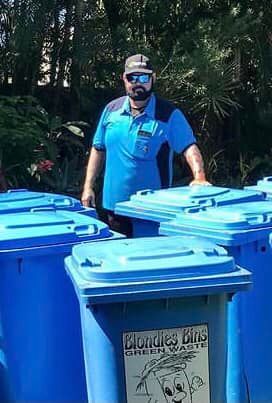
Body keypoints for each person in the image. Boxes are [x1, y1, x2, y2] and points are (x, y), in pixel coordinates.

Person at [81, 54, 210, 236]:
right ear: (124, 79)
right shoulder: (111, 110)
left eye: (143, 77)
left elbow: (189, 147)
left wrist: (199, 176)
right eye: (132, 77)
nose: (137, 82)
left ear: (153, 79)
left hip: (152, 212)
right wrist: (88, 187)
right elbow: (98, 149)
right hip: (113, 209)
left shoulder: (168, 114)